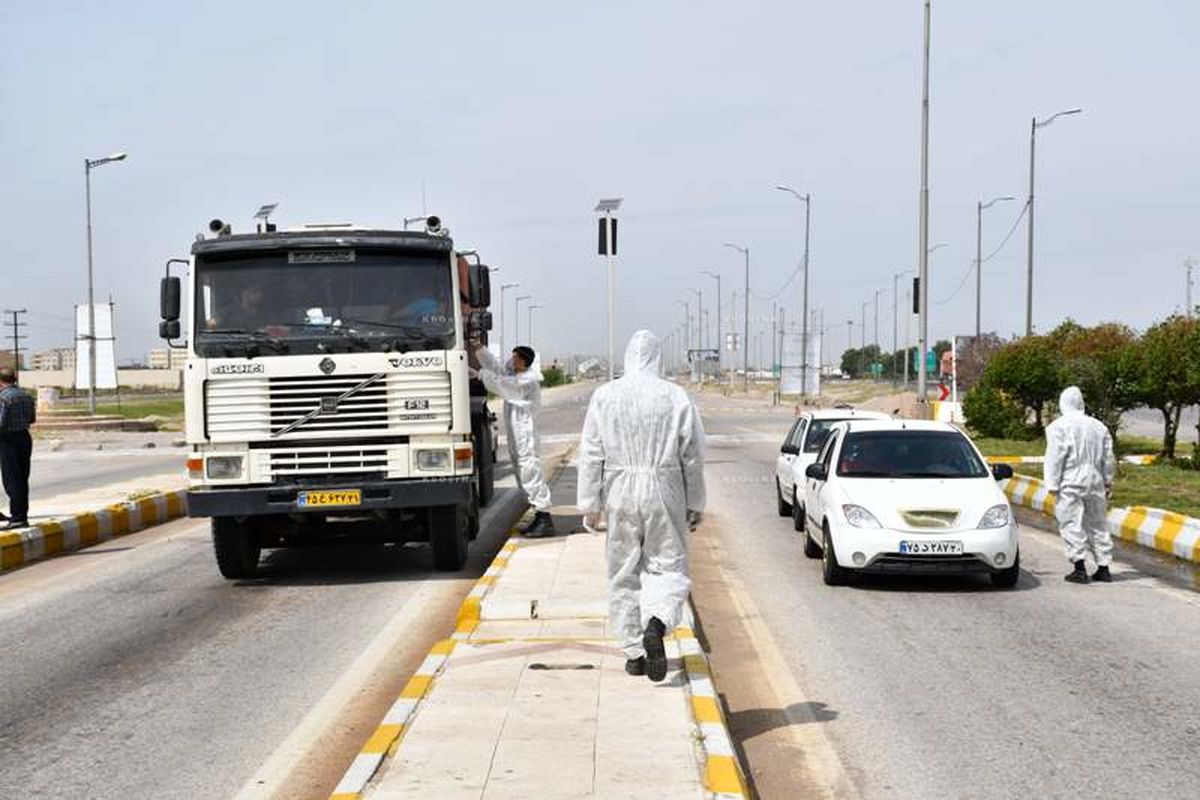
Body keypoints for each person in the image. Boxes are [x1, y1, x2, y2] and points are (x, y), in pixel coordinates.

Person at [577, 330, 706, 682]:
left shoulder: (605, 396)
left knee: (623, 572)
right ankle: (657, 621)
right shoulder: (675, 396)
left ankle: (633, 654)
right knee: (667, 566)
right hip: (664, 488)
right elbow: (692, 455)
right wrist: (695, 502)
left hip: (619, 488)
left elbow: (591, 452)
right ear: (657, 358)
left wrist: (590, 503)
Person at [475, 344, 555, 537]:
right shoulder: (517, 377)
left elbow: (500, 383)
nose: (511, 361)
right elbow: (497, 371)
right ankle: (538, 515)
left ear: (522, 361)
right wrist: (479, 349)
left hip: (525, 437)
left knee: (530, 474)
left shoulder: (526, 382)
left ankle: (544, 518)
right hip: (518, 437)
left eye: (514, 358)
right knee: (523, 476)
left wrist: (479, 375)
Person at [1044, 386, 1116, 583]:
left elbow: (1055, 457)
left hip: (1070, 479)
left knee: (1071, 522)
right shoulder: (1099, 427)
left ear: (1062, 403)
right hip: (1095, 479)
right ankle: (1104, 567)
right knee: (1098, 523)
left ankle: (1079, 568)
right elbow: (1108, 458)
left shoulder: (1058, 427)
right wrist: (1108, 481)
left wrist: (1052, 483)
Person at [0, 367, 36, 530]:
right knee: (22, 478)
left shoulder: (3, 398)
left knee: (12, 480)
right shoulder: (26, 395)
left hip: (8, 440)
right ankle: (22, 515)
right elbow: (32, 418)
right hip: (24, 437)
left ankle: (17, 518)